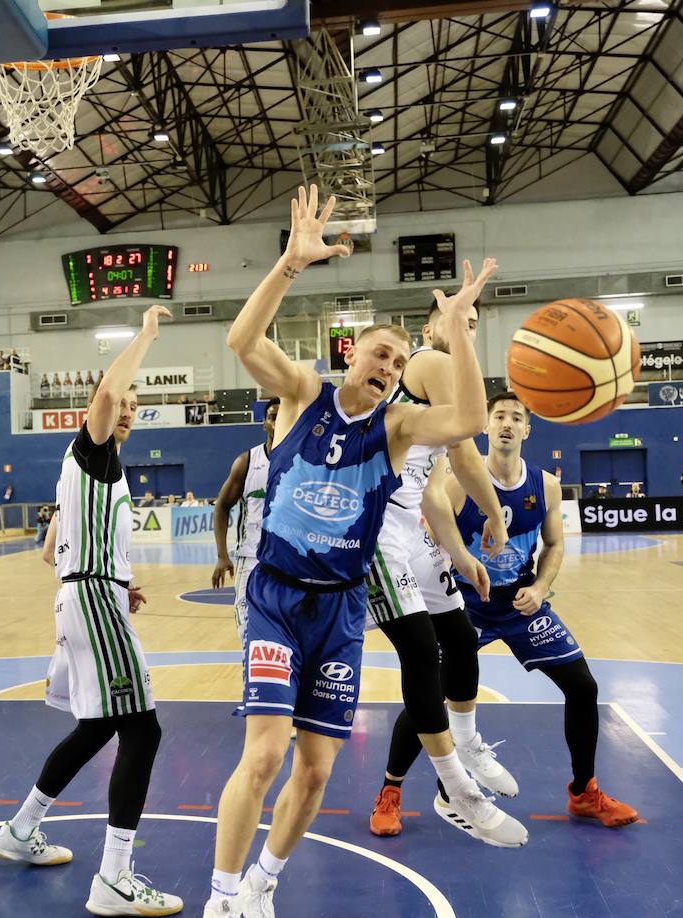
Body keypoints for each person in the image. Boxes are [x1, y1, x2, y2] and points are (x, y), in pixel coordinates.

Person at [204, 185, 519, 918]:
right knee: (265, 756)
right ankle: (221, 898)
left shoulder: (401, 427)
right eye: (381, 351)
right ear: (355, 353)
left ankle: (261, 886)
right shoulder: (301, 393)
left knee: (313, 774)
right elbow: (242, 343)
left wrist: (460, 332)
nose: (389, 363)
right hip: (276, 599)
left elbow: (471, 417)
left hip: (342, 609)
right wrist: (288, 264)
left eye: (400, 358)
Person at [371, 391, 638, 833]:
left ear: (528, 429)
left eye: (517, 417)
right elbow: (430, 537)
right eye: (499, 416)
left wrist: (541, 585)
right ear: (485, 426)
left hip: (518, 602)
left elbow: (554, 545)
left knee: (582, 685)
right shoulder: (456, 482)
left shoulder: (546, 485)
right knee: (428, 694)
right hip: (462, 604)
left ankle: (584, 792)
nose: (508, 423)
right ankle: (390, 789)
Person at [0, 305, 180, 916]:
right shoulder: (93, 451)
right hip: (90, 600)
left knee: (98, 726)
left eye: (132, 403)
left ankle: (20, 831)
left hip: (86, 595)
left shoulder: (96, 470)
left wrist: (108, 577)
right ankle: (114, 879)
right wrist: (146, 334)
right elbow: (103, 392)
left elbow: (51, 550)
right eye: (120, 399)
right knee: (143, 729)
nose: (125, 408)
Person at [364, 292, 522, 839]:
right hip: (377, 529)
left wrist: (457, 553)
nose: (466, 330)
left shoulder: (441, 378)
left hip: (412, 530)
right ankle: (454, 786)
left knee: (458, 636)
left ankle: (468, 743)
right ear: (431, 328)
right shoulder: (432, 362)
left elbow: (432, 491)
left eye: (475, 323)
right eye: (457, 321)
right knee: (422, 652)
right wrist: (496, 514)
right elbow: (463, 454)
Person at [210, 398, 279, 640]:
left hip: (289, 562)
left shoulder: (304, 460)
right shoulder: (247, 462)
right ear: (264, 424)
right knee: (248, 633)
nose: (278, 422)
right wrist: (222, 555)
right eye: (272, 416)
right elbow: (221, 507)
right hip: (252, 559)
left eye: (284, 416)